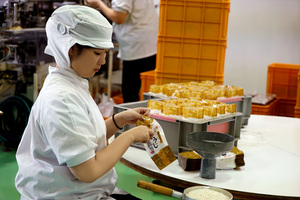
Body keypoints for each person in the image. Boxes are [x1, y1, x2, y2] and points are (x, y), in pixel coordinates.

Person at [15, 5, 154, 200]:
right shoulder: (61, 99)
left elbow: (82, 137)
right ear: (71, 49)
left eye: (105, 53)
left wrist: (118, 121)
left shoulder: (71, 81)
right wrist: (129, 137)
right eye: (97, 54)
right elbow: (88, 171)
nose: (103, 61)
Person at [87, 0, 159, 103]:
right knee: (146, 92)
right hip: (149, 42)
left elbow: (118, 17)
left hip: (136, 46)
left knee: (131, 94)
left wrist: (99, 4)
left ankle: (133, 117)